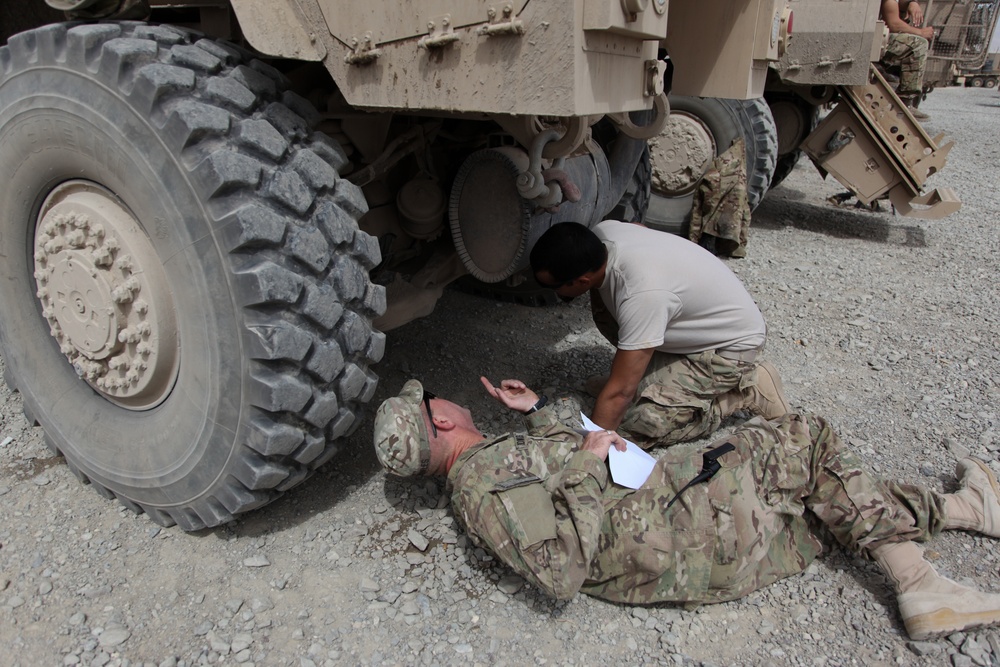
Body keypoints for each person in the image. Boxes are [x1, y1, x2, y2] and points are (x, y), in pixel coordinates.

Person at [373, 376, 1000, 641]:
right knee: (805, 443)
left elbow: (550, 472)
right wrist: (591, 461)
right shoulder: (484, 489)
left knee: (825, 501)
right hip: (675, 532)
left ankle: (971, 510)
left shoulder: (487, 466)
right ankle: (919, 583)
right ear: (442, 418)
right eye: (436, 398)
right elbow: (559, 570)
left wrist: (539, 412)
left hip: (672, 525)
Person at [528, 220, 789, 450]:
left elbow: (620, 394)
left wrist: (593, 447)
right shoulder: (604, 233)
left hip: (730, 350)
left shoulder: (641, 295)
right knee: (617, 325)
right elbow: (640, 228)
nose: (552, 293)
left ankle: (743, 391)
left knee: (639, 425)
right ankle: (649, 377)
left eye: (552, 287)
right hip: (692, 324)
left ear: (582, 280)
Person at [879, 0, 934, 120]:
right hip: (874, 41)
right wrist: (920, 32)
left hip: (874, 39)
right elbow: (893, 24)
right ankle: (905, 101)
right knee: (919, 44)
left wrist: (911, 3)